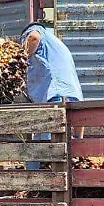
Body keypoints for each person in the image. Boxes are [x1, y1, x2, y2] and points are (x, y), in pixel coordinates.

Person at [20, 23, 83, 169]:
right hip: (70, 98)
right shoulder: (58, 46)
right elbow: (81, 118)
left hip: (53, 96)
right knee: (58, 150)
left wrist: (21, 60)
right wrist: (79, 142)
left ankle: (36, 185)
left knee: (42, 153)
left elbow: (34, 37)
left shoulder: (35, 31)